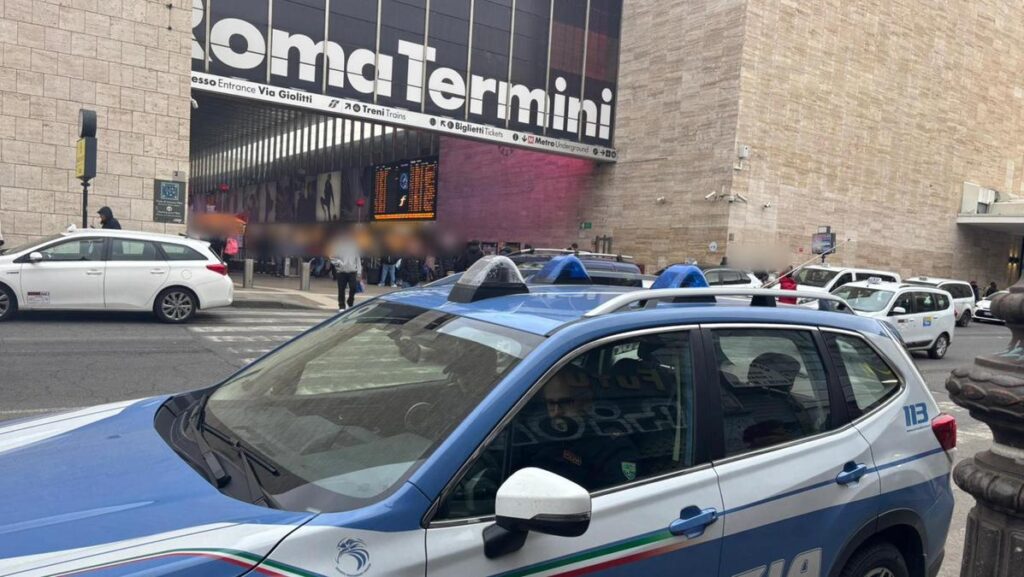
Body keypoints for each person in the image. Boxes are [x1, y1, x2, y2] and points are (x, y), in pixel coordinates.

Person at [526, 365, 640, 490]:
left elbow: (618, 498)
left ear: (587, 400)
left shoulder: (612, 447)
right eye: (551, 403)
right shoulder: (536, 435)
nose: (556, 412)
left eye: (565, 402)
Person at [331, 230, 362, 311]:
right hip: (341, 271)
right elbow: (332, 257)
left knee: (353, 287)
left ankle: (350, 301)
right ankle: (341, 306)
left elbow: (358, 259)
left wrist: (359, 272)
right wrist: (338, 263)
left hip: (352, 271)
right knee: (341, 289)